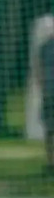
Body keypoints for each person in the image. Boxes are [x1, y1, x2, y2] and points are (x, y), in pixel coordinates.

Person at [40, 33, 54, 174]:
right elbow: (39, 69)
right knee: (49, 128)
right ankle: (50, 161)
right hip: (49, 92)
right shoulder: (45, 46)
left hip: (48, 91)